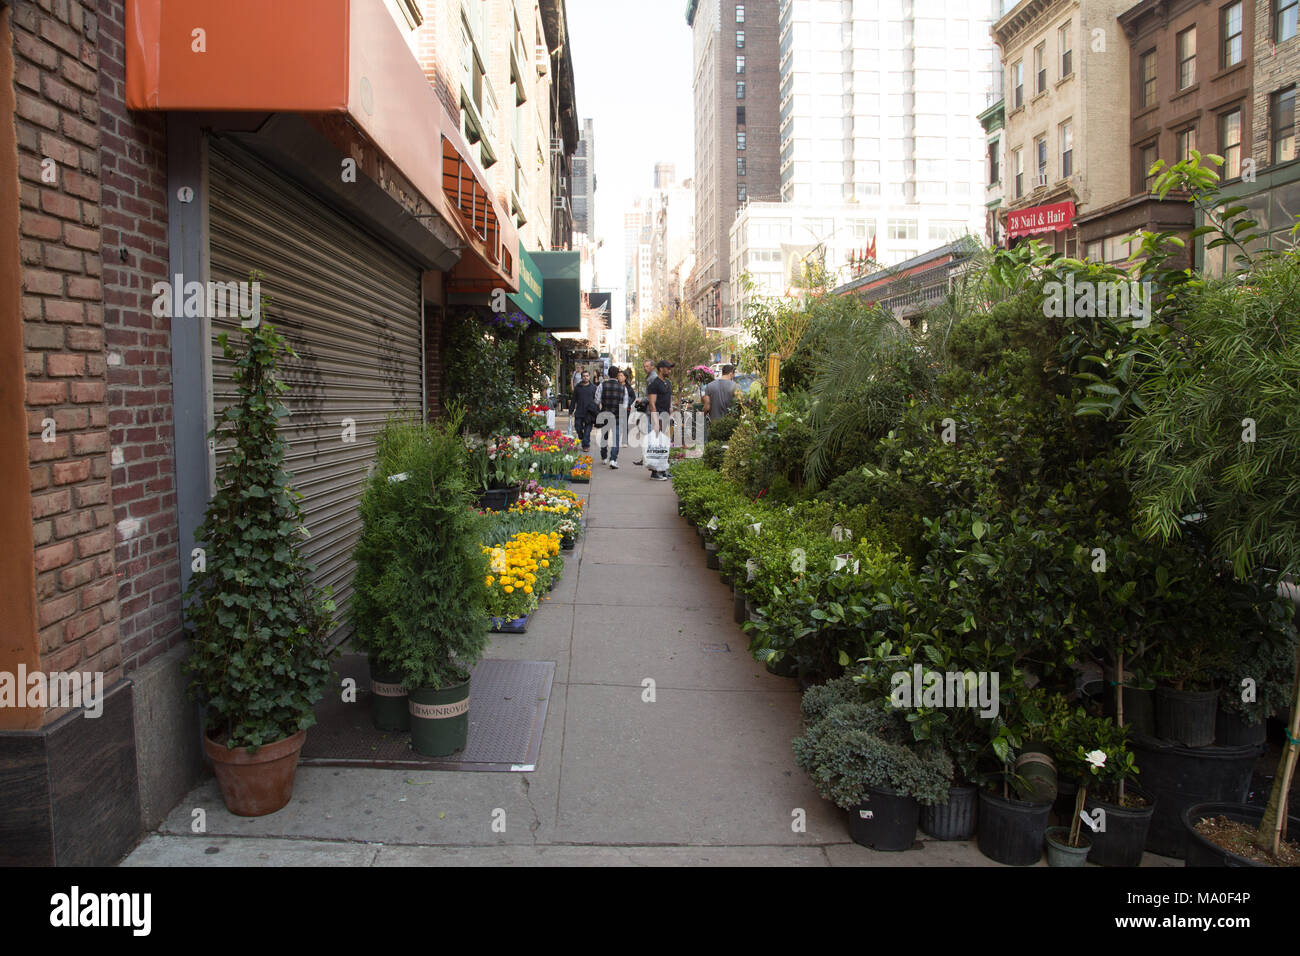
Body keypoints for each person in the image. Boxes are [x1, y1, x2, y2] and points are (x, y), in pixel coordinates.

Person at [646, 360, 674, 481]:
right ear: (661, 369)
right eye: (668, 368)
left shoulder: (667, 383)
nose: (669, 370)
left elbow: (670, 400)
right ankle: (655, 472)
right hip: (658, 418)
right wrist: (656, 421)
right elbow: (652, 404)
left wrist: (671, 411)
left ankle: (663, 469)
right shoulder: (654, 384)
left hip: (667, 417)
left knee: (666, 445)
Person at [598, 366, 628, 468]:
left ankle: (604, 457)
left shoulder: (602, 385)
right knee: (616, 439)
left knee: (604, 436)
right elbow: (625, 404)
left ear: (608, 374)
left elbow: (597, 400)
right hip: (617, 416)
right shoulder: (623, 388)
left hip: (605, 415)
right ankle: (613, 459)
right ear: (616, 375)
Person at [632, 360, 658, 466]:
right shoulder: (650, 377)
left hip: (650, 411)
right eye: (644, 366)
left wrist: (642, 400)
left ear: (652, 367)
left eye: (647, 366)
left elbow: (651, 396)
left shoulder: (652, 378)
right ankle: (645, 458)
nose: (645, 368)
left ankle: (647, 459)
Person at [571, 370, 599, 452]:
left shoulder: (593, 388)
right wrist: (571, 411)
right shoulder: (577, 388)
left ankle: (586, 445)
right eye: (584, 376)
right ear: (581, 377)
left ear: (589, 377)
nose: (585, 377)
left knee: (587, 430)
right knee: (577, 426)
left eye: (587, 376)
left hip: (590, 413)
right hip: (579, 411)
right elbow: (573, 400)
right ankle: (581, 436)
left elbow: (597, 400)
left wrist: (598, 411)